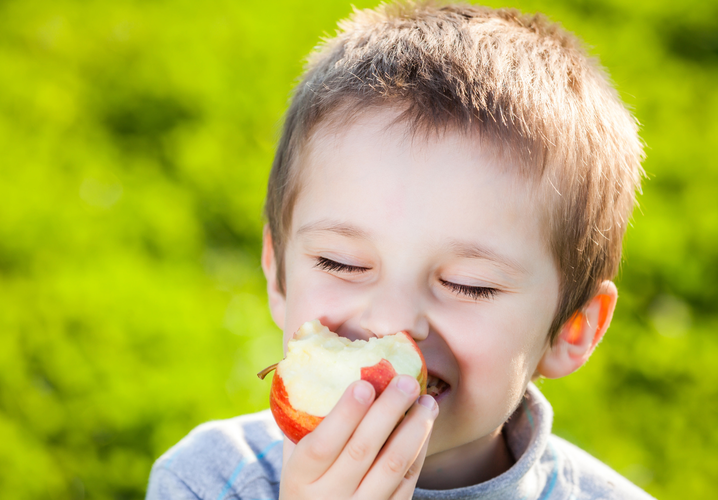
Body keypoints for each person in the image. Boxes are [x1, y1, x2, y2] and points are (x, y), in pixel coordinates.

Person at [146, 2, 654, 499]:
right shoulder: (206, 482)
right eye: (340, 263)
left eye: (468, 285)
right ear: (277, 273)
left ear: (572, 329)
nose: (391, 321)